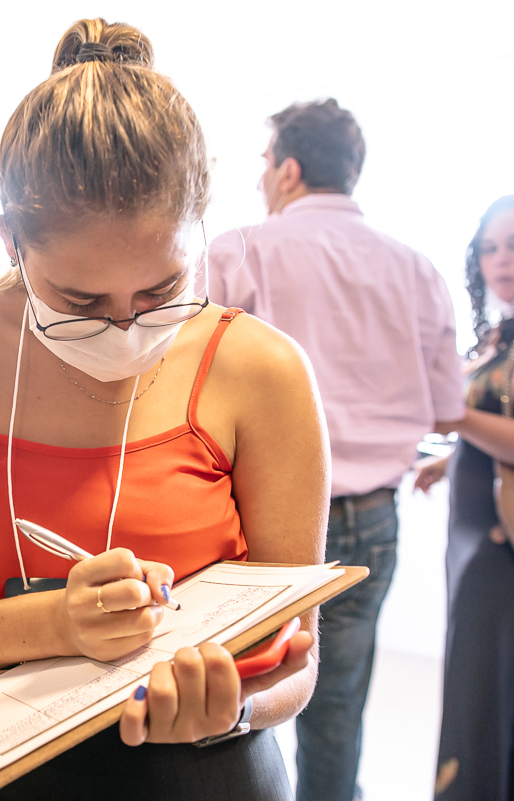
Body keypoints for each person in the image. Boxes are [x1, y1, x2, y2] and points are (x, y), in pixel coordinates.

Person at [0, 18, 328, 799]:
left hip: (207, 770)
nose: (124, 329)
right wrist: (57, 623)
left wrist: (235, 707)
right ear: (9, 239)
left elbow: (299, 655)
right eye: (80, 301)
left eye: (159, 292)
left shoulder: (263, 370)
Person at [206, 99, 464, 801]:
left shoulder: (239, 249)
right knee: (336, 708)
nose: (263, 179)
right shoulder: (417, 268)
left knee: (230, 704)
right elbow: (448, 407)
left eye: (264, 165)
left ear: (288, 170)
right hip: (373, 519)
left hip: (255, 518)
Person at [415, 195, 514, 800]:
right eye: (491, 248)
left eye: (513, 246)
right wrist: (453, 459)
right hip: (477, 536)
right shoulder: (501, 333)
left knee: (489, 690)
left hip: (502, 553)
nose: (501, 259)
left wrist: (455, 420)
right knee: (477, 686)